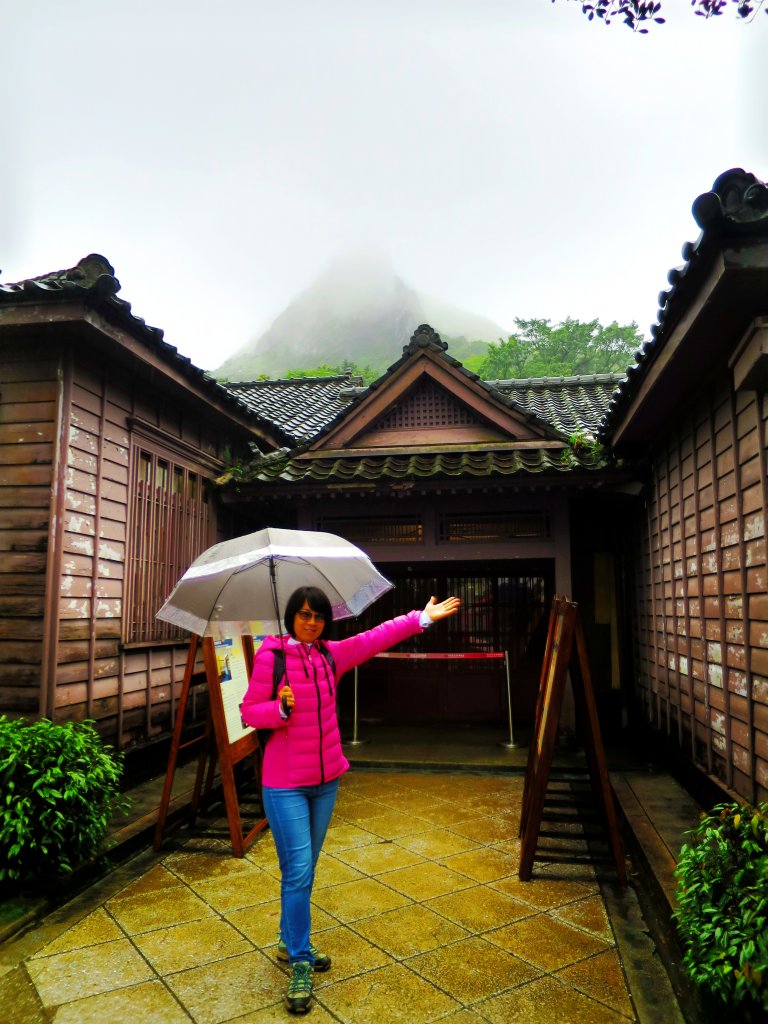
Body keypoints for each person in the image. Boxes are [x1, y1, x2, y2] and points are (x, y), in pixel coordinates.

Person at [240, 586, 461, 1015]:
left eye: (319, 616)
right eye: (304, 615)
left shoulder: (328, 656)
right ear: (291, 617)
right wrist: (279, 709)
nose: (311, 622)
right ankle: (300, 961)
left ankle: (289, 941)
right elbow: (250, 712)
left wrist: (422, 618)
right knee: (299, 871)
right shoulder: (273, 657)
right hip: (284, 784)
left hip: (326, 782)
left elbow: (374, 637)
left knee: (303, 870)